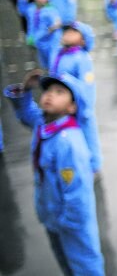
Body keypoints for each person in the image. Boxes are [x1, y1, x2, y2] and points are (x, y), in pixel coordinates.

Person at [4, 72, 104, 275]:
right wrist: (25, 90)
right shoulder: (44, 124)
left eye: (59, 92)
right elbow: (25, 113)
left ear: (72, 107)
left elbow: (78, 193)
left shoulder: (69, 142)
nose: (50, 95)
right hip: (53, 216)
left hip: (71, 223)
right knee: (66, 263)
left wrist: (67, 222)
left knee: (84, 265)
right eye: (48, 90)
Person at [49, 21, 102, 173]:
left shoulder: (82, 58)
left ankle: (93, 166)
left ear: (83, 40)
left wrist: (85, 109)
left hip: (80, 106)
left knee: (88, 135)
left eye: (73, 32)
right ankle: (75, 164)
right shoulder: (59, 53)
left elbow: (87, 86)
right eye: (66, 31)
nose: (67, 34)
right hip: (65, 105)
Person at [17, 0, 62, 69]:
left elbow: (57, 22)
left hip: (51, 41)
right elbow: (21, 10)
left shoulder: (51, 10)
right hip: (38, 41)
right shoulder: (31, 8)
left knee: (53, 62)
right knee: (43, 64)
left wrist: (52, 28)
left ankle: (55, 77)